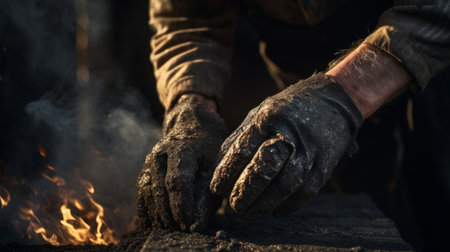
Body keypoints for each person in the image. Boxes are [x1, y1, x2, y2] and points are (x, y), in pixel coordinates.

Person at [136, 0, 450, 236]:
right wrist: (191, 106)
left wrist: (346, 93)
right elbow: (189, 18)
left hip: (433, 54)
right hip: (304, 75)